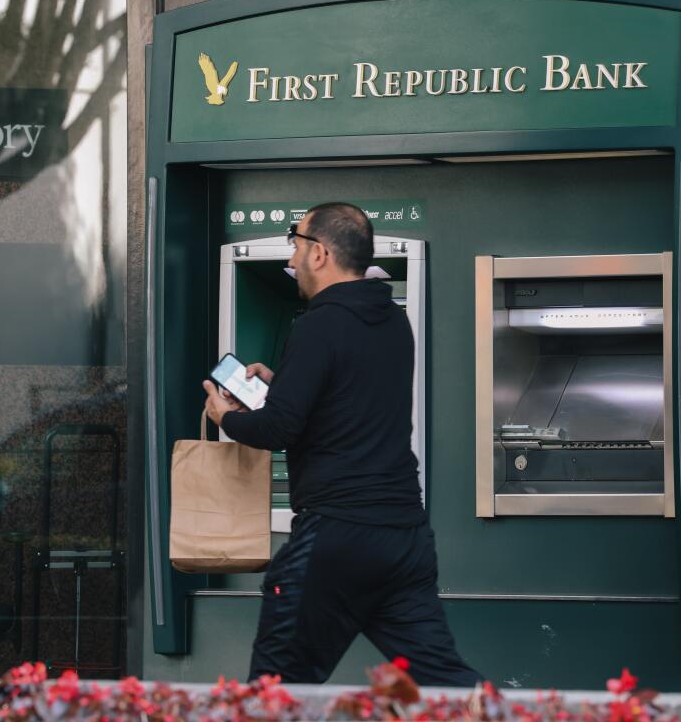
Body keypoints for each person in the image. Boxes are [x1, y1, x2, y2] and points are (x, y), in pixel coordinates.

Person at [202, 202, 481, 687]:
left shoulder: (317, 325)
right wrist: (284, 383)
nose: (290, 262)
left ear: (320, 254)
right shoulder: (394, 322)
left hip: (336, 536)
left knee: (276, 691)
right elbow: (348, 400)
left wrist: (228, 417)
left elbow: (278, 430)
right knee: (445, 687)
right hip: (403, 537)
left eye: (295, 244)